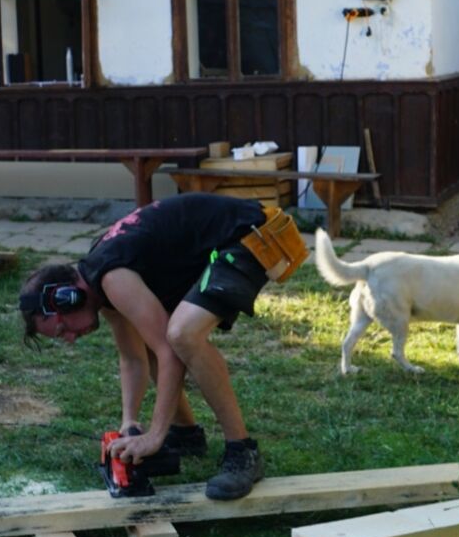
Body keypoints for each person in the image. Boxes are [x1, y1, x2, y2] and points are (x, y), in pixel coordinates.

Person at [19, 193, 271, 500]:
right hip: (227, 237)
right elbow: (133, 358)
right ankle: (186, 434)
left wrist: (154, 436)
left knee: (181, 336)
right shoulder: (102, 287)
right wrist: (130, 421)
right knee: (160, 337)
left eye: (62, 329)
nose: (70, 339)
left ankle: (242, 451)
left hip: (251, 232)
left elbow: (169, 354)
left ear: (69, 297)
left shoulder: (113, 279)